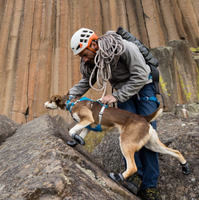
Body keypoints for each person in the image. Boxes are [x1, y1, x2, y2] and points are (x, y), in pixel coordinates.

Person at [68, 28, 161, 200]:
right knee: (127, 134)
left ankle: (150, 186)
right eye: (81, 56)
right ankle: (134, 174)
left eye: (84, 53)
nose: (84, 58)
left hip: (143, 88)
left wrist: (116, 96)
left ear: (94, 44)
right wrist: (69, 96)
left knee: (145, 134)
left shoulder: (124, 48)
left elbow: (140, 75)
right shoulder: (95, 59)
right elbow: (86, 81)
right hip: (123, 92)